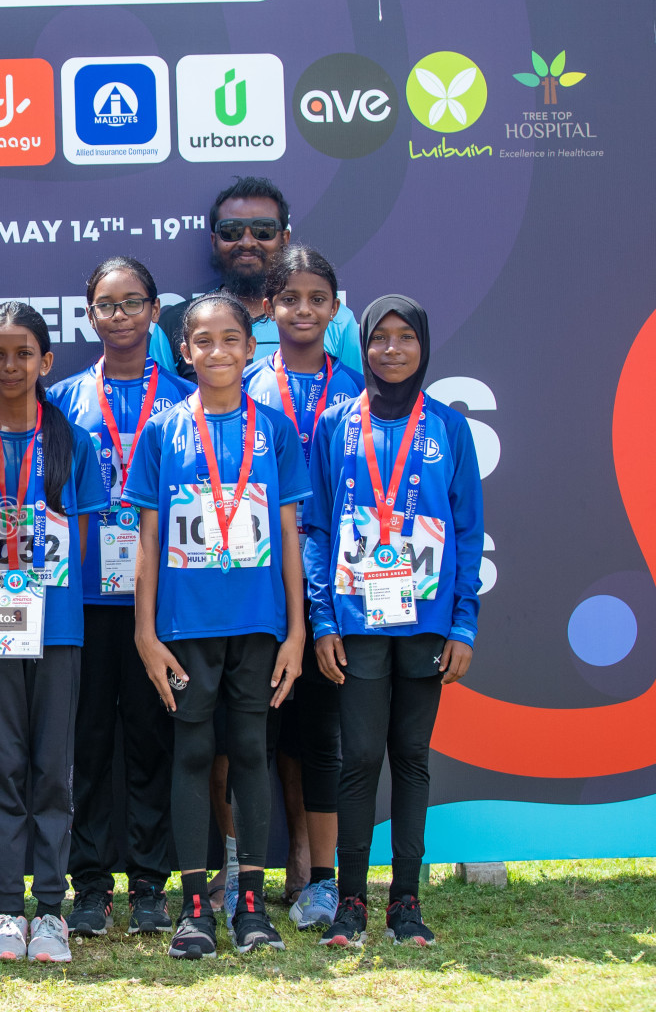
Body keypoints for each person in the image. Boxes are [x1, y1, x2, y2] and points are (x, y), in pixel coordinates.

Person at [127, 292, 308, 959]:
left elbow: (290, 534)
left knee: (253, 754)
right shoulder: (162, 430)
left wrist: (296, 631)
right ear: (185, 351)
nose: (218, 351)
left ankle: (252, 908)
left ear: (250, 347)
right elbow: (146, 538)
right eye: (203, 341)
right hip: (185, 625)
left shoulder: (277, 430)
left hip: (258, 625)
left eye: (230, 338)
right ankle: (196, 906)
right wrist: (145, 633)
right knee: (194, 755)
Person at [305, 296, 483, 948]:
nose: (392, 349)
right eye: (380, 337)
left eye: (406, 337)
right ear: (364, 347)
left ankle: (405, 901)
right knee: (358, 758)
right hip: (355, 621)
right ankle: (350, 902)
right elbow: (318, 529)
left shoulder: (448, 428)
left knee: (411, 756)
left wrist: (463, 624)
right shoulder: (334, 426)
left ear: (423, 346)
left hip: (429, 620)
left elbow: (467, 529)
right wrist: (323, 621)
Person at [0, 302, 109, 965]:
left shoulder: (75, 443)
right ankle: (6, 911)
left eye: (24, 354)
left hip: (59, 628)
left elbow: (92, 542)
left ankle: (51, 909)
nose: (10, 366)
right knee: (2, 766)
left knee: (51, 768)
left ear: (46, 362)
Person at [48, 257, 191, 939]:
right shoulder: (66, 399)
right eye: (105, 305)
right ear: (90, 316)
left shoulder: (188, 398)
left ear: (155, 312)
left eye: (132, 302)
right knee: (88, 743)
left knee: (152, 740)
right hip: (82, 604)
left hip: (158, 606)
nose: (119, 315)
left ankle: (149, 886)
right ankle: (90, 885)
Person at [243, 244, 364, 928]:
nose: (304, 310)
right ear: (268, 309)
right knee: (253, 735)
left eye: (318, 299)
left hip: (335, 589)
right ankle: (246, 878)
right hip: (259, 582)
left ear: (336, 308)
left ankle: (323, 880)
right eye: (290, 299)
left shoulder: (356, 390)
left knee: (321, 736)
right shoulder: (249, 387)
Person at [152, 176, 361, 377]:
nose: (247, 242)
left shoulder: (335, 320)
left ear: (285, 238)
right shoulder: (176, 324)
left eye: (263, 230)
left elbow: (354, 399)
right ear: (214, 240)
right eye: (232, 231)